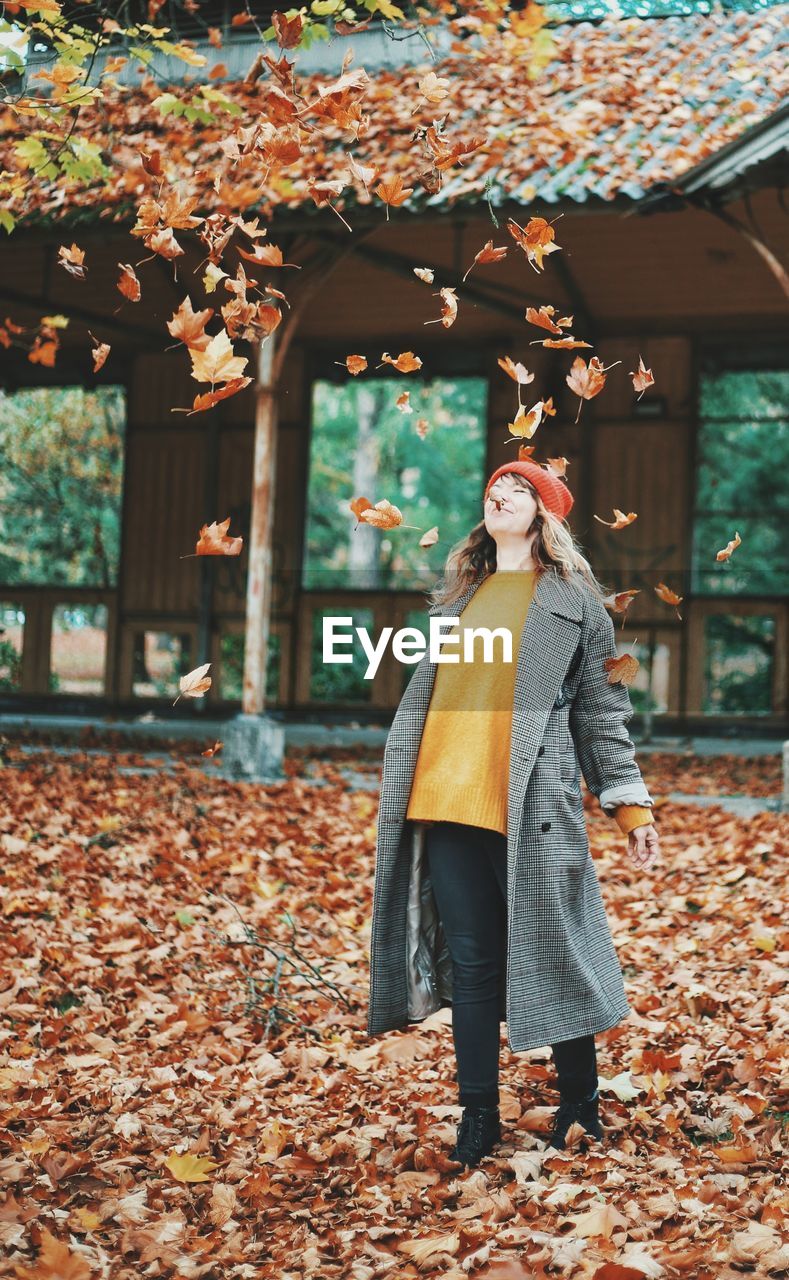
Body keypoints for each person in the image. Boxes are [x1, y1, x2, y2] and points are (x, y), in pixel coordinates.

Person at [366, 459, 661, 1168]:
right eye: (496, 485)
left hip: (532, 800)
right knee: (470, 964)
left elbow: (600, 714)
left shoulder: (576, 604)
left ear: (545, 514)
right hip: (442, 797)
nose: (500, 493)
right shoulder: (458, 600)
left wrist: (628, 805)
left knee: (555, 948)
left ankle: (579, 1107)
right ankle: (476, 1118)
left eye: (519, 488)